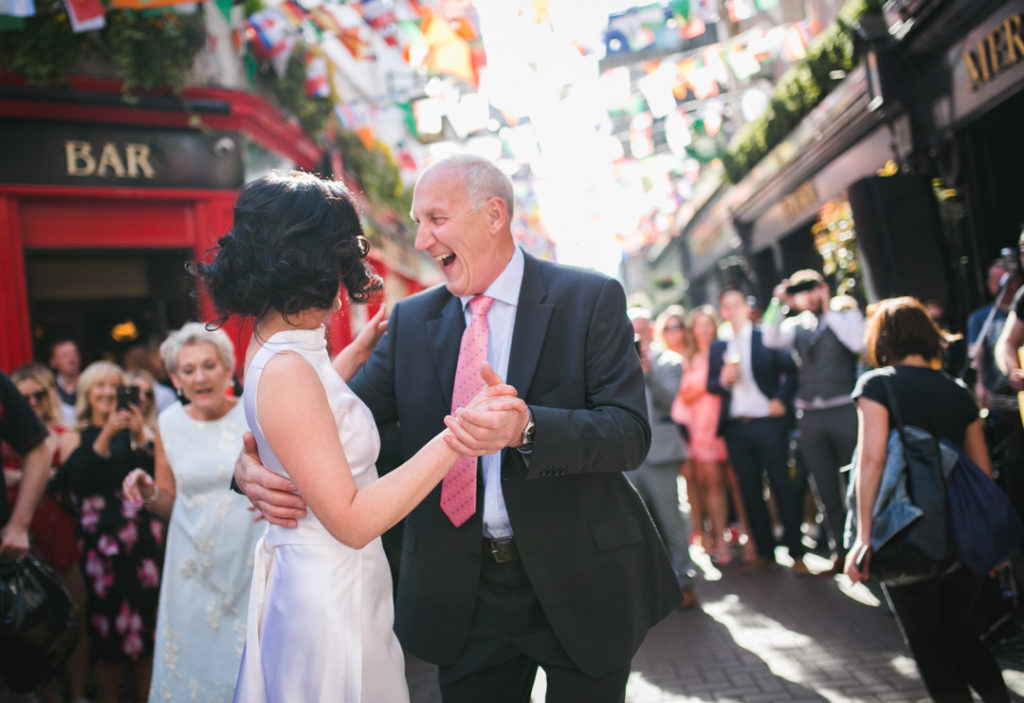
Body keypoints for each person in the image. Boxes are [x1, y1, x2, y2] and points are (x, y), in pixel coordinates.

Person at [235, 156, 680, 702]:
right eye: (418, 222)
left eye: (435, 220)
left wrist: (529, 428)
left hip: (581, 582)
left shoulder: (590, 299)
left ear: (494, 215)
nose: (421, 240)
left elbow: (629, 433)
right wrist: (249, 469)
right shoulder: (411, 320)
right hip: (465, 599)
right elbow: (330, 421)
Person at [196, 170, 524, 702]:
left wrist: (358, 352)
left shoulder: (280, 343)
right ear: (318, 262)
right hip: (331, 594)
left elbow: (313, 406)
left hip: (335, 579)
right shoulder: (287, 368)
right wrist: (459, 435)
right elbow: (349, 520)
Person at [845, 296, 1010, 703]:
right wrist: (988, 540)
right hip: (962, 539)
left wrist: (863, 536)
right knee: (960, 634)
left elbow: (872, 460)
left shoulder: (877, 384)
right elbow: (982, 473)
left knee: (928, 645)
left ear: (884, 338)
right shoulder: (957, 391)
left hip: (907, 534)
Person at [121, 323, 264, 702]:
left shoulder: (254, 415)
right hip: (193, 572)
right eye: (188, 370)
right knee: (198, 668)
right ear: (174, 377)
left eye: (209, 365)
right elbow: (169, 502)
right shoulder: (168, 424)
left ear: (226, 368)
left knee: (255, 667)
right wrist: (150, 492)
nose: (200, 377)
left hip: (251, 564)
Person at [51, 361, 165, 703]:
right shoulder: (75, 435)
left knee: (149, 625)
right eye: (99, 385)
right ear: (87, 392)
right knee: (105, 629)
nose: (107, 392)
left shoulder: (144, 431)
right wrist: (105, 436)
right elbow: (74, 483)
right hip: (101, 545)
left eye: (115, 386)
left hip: (143, 541)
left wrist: (138, 436)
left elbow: (160, 478)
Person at [761, 270, 864, 574]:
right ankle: (839, 552)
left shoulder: (846, 315)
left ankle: (863, 546)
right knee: (824, 486)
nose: (806, 295)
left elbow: (857, 343)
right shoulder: (796, 325)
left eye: (811, 289)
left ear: (823, 288)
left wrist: (827, 307)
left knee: (856, 482)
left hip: (844, 409)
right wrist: (777, 303)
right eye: (800, 291)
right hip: (810, 416)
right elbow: (769, 336)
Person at [6, 363, 88, 703]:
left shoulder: (62, 432)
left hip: (56, 528)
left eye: (39, 394)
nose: (32, 401)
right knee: (30, 627)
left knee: (72, 617)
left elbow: (63, 475)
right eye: (23, 397)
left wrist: (16, 476)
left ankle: (80, 693)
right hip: (18, 532)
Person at [708, 287, 805, 574]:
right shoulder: (719, 345)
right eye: (726, 306)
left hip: (767, 421)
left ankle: (797, 553)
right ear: (722, 312)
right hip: (736, 427)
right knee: (749, 491)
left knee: (781, 486)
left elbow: (792, 370)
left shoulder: (764, 337)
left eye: (736, 304)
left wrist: (780, 400)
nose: (732, 310)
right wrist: (723, 380)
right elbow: (711, 384)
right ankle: (764, 551)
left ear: (746, 307)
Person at [673, 305, 756, 566]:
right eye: (699, 325)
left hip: (728, 421)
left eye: (708, 324)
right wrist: (711, 383)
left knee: (738, 482)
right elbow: (684, 394)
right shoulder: (689, 357)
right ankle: (719, 540)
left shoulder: (726, 349)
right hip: (702, 428)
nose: (704, 329)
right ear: (693, 329)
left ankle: (751, 538)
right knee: (713, 485)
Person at [629, 308, 697, 610]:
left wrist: (649, 372)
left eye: (642, 329)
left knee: (671, 521)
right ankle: (651, 586)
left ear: (651, 329)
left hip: (661, 452)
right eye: (632, 330)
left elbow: (672, 402)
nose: (638, 335)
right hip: (628, 456)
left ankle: (684, 580)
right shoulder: (614, 364)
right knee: (638, 525)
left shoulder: (669, 361)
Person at [654, 305, 704, 547]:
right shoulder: (657, 358)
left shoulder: (695, 355)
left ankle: (714, 531)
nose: (674, 331)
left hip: (701, 422)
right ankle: (698, 532)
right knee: (688, 481)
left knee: (709, 480)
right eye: (669, 327)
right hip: (676, 425)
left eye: (679, 326)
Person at [49, 337, 82, 426]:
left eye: (74, 355)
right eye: (65, 356)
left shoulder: (91, 385)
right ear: (53, 362)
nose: (71, 360)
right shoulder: (49, 388)